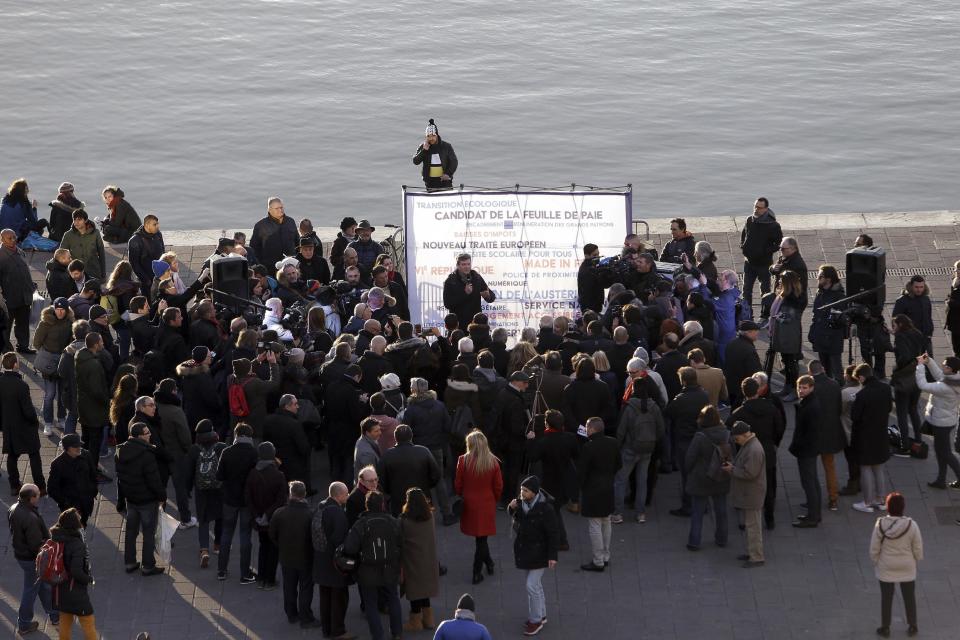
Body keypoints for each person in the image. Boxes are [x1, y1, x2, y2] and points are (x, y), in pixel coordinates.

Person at [341, 490, 404, 640]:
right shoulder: (392, 521)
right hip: (389, 568)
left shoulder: (361, 523)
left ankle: (378, 636)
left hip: (367, 570)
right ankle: (397, 633)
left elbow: (350, 548)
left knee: (371, 604)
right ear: (382, 504)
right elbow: (401, 543)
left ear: (366, 505)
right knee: (393, 599)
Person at [728, 377, 785, 530]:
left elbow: (730, 429)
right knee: (769, 485)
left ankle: (747, 519)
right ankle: (770, 518)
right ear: (758, 390)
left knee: (747, 485)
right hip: (767, 450)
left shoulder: (739, 412)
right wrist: (774, 443)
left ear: (744, 392)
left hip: (747, 452)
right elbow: (779, 428)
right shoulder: (771, 408)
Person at [507, 476, 559, 637]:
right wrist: (511, 508)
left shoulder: (546, 509)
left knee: (531, 585)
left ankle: (535, 620)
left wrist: (552, 556)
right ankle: (541, 615)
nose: (522, 493)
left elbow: (553, 534)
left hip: (540, 553)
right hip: (526, 552)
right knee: (535, 586)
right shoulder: (522, 503)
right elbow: (516, 518)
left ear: (534, 493)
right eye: (521, 489)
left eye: (525, 490)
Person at [115, 422, 166, 575]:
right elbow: (154, 480)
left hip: (130, 499)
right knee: (149, 533)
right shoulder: (146, 454)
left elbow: (120, 477)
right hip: (147, 500)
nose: (150, 434)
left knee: (131, 532)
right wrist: (161, 496)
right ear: (139, 436)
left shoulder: (120, 451)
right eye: (146, 433)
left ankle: (130, 562)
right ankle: (148, 565)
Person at [9, 483, 60, 634]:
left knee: (43, 585)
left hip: (22, 554)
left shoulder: (14, 508)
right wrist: (50, 552)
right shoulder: (30, 518)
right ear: (31, 498)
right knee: (30, 590)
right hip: (32, 559)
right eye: (37, 495)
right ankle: (24, 624)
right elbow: (36, 544)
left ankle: (54, 614)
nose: (39, 496)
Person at [869, 492, 922, 638]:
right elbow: (917, 547)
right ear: (903, 507)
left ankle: (885, 627)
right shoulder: (912, 525)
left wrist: (876, 561)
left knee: (886, 598)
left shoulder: (880, 524)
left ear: (888, 507)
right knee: (909, 596)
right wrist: (916, 559)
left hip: (886, 565)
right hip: (906, 565)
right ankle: (912, 625)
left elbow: (874, 548)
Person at [268, 481, 320, 628]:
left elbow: (272, 534)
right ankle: (306, 617)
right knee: (306, 587)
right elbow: (315, 537)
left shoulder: (279, 513)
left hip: (286, 557)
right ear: (304, 495)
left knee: (289, 587)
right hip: (306, 558)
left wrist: (281, 546)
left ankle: (291, 614)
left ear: (290, 494)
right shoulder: (310, 513)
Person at [613, 375, 664, 524]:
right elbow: (661, 429)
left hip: (630, 448)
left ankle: (618, 513)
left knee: (621, 480)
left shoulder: (630, 407)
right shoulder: (654, 407)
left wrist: (618, 445)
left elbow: (621, 431)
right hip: (648, 448)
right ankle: (640, 513)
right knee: (642, 481)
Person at [405, 377, 456, 525]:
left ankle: (424, 514)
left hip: (418, 449)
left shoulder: (411, 409)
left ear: (414, 389)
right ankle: (447, 513)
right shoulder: (439, 406)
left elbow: (406, 430)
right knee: (439, 479)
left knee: (420, 481)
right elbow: (448, 426)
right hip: (436, 448)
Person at [455, 430, 503, 584]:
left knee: (480, 538)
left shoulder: (463, 460)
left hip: (470, 503)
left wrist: (462, 494)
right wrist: (494, 499)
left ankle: (479, 569)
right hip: (487, 503)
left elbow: (458, 484)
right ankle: (486, 565)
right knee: (482, 538)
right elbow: (498, 486)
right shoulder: (493, 462)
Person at [216, 422, 259, 583]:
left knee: (226, 533)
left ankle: (221, 570)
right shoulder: (254, 453)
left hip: (229, 499)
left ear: (236, 435)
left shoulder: (227, 452)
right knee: (245, 536)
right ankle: (245, 573)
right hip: (246, 501)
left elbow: (219, 476)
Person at [577, 417, 621, 572]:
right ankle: (605, 556)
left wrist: (579, 488)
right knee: (606, 521)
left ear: (592, 429)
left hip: (592, 490)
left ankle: (598, 561)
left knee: (594, 525)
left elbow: (582, 472)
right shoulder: (613, 443)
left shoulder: (588, 447)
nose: (586, 430)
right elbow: (618, 464)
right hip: (608, 487)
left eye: (587, 427)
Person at [684, 405, 731, 551]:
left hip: (701, 477)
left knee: (698, 511)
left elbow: (689, 458)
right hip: (720, 475)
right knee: (721, 510)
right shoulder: (726, 435)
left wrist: (689, 472)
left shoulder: (700, 437)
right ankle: (722, 538)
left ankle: (694, 541)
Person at [665, 367, 710, 516]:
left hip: (684, 439)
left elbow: (668, 412)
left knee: (686, 474)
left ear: (683, 381)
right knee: (700, 472)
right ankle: (703, 504)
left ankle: (688, 505)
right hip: (701, 437)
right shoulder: (704, 395)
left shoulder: (680, 399)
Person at [312, 481, 354, 639]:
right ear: (339, 495)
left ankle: (326, 629)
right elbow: (340, 540)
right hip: (335, 565)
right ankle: (338, 631)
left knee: (325, 597)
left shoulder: (320, 507)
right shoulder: (337, 513)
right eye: (346, 493)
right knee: (339, 599)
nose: (348, 495)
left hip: (321, 561)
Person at [184, 420, 227, 570]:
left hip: (201, 489)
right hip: (219, 488)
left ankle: (204, 550)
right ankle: (218, 545)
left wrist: (187, 489)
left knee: (203, 519)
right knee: (220, 516)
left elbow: (188, 472)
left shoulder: (194, 449)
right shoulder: (221, 447)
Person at [1, 352, 46, 495]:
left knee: (12, 455)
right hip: (24, 426)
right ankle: (40, 486)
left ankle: (14, 485)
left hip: (8, 425)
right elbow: (28, 410)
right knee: (34, 455)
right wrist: (34, 420)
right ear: (15, 365)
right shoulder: (21, 385)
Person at [50, 508, 98, 639]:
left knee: (65, 619)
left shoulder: (55, 537)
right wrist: (89, 579)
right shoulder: (76, 544)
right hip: (74, 589)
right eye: (78, 519)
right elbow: (76, 571)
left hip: (60, 586)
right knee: (88, 621)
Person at [245, 441, 286, 589]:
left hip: (258, 519)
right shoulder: (279, 475)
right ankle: (269, 580)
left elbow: (248, 498)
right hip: (273, 520)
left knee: (263, 547)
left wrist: (257, 515)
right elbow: (281, 500)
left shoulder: (252, 474)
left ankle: (261, 577)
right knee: (273, 549)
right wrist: (267, 515)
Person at [725, 420, 766, 567]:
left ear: (743, 435)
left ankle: (756, 557)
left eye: (737, 439)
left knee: (753, 527)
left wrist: (732, 470)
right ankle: (751, 552)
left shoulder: (753, 449)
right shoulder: (750, 445)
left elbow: (750, 473)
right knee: (750, 526)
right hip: (750, 493)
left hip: (752, 494)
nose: (736, 441)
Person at [915, 354, 960, 489]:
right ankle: (941, 480)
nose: (942, 366)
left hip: (941, 423)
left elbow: (923, 385)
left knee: (945, 453)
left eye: (945, 365)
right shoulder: (954, 379)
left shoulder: (945, 388)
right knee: (941, 451)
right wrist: (929, 362)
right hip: (946, 420)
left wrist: (920, 366)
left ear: (951, 370)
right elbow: (940, 375)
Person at [400, 487, 440, 632]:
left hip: (412, 560)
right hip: (428, 559)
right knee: (424, 590)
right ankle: (429, 619)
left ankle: (415, 621)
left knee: (415, 591)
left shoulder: (404, 520)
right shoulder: (430, 516)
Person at [380, 424, 442, 517]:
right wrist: (426, 486)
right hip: (422, 498)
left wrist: (391, 491)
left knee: (402, 527)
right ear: (411, 436)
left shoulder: (387, 455)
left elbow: (381, 480)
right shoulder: (424, 451)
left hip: (398, 502)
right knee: (424, 527)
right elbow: (436, 475)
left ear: (395, 438)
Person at [809, 360, 845, 512]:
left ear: (810, 372)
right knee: (829, 467)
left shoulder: (810, 387)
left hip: (814, 433)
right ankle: (833, 499)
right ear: (823, 369)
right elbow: (839, 408)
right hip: (830, 431)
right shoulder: (834, 384)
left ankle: (812, 498)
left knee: (809, 469)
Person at [739, 197, 782, 309]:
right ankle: (747, 314)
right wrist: (743, 246)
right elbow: (744, 234)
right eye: (755, 206)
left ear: (766, 209)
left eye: (759, 207)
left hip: (764, 264)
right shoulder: (750, 220)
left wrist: (764, 251)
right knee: (746, 290)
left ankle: (765, 315)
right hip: (749, 262)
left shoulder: (773, 225)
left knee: (765, 292)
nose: (756, 209)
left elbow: (778, 244)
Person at [47, 434, 98, 528]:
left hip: (86, 500)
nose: (79, 448)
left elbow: (93, 475)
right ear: (67, 448)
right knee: (72, 529)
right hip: (71, 505)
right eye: (75, 446)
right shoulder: (57, 464)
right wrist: (65, 503)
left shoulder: (86, 455)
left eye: (79, 445)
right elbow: (52, 489)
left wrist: (93, 490)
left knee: (83, 524)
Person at [790, 376, 822, 528]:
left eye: (804, 388)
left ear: (811, 388)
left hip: (807, 450)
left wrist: (799, 447)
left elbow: (808, 432)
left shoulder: (810, 407)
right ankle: (814, 509)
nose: (801, 391)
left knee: (809, 482)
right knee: (812, 480)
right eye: (799, 388)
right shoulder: (809, 403)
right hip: (810, 449)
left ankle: (813, 517)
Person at [768, 270, 805, 401]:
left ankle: (794, 390)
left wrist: (777, 317)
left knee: (791, 364)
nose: (778, 282)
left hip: (789, 336)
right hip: (784, 334)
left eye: (781, 280)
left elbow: (789, 318)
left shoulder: (793, 299)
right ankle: (787, 387)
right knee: (787, 362)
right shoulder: (787, 295)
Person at [891, 314, 926, 444]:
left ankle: (904, 443)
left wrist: (898, 369)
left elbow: (904, 356)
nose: (893, 328)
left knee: (901, 413)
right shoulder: (917, 333)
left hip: (904, 379)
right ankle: (918, 439)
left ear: (900, 325)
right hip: (917, 376)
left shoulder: (900, 336)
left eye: (894, 326)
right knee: (913, 410)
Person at [0, 228, 37, 353]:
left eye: (14, 237)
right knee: (6, 325)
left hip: (24, 295)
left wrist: (31, 285)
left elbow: (24, 270)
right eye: (9, 238)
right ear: (2, 240)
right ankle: (6, 349)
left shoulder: (19, 251)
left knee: (23, 323)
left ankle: (23, 346)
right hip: (8, 298)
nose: (13, 240)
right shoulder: (1, 255)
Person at [263, 394, 311, 486]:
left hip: (276, 462)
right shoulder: (294, 424)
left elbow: (266, 440)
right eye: (295, 404)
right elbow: (303, 447)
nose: (298, 406)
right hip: (293, 466)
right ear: (287, 406)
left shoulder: (268, 420)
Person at [809, 265, 846, 381]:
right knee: (824, 368)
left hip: (832, 338)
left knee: (836, 368)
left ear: (829, 279)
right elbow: (816, 315)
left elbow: (840, 320)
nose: (818, 278)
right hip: (820, 336)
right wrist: (813, 332)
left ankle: (839, 390)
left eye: (820, 276)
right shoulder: (820, 292)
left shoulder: (839, 296)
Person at [443, 253, 495, 331]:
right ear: (458, 265)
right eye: (463, 264)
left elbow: (491, 297)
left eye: (468, 264)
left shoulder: (476, 277)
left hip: (476, 324)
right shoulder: (450, 281)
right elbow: (447, 304)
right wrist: (465, 294)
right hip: (459, 325)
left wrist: (488, 296)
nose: (467, 267)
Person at [251, 196, 298, 271]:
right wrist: (261, 266)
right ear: (269, 210)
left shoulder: (290, 222)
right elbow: (254, 248)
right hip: (270, 268)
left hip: (290, 267)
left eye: (281, 207)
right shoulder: (260, 226)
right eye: (277, 208)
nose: (280, 210)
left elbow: (297, 242)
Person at [723, 320, 763, 408]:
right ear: (748, 332)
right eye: (756, 332)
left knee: (734, 409)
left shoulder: (731, 344)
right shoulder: (749, 350)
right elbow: (755, 371)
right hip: (743, 388)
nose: (757, 334)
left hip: (731, 384)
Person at [59, 209, 106, 280]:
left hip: (94, 273)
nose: (76, 222)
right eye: (74, 219)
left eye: (79, 219)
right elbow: (61, 255)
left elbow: (101, 254)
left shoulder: (95, 233)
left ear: (86, 220)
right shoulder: (68, 235)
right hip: (76, 275)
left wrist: (103, 274)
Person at [893, 275, 934, 355]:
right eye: (916, 287)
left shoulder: (926, 299)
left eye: (921, 287)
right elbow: (895, 321)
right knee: (910, 365)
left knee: (929, 363)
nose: (919, 289)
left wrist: (929, 332)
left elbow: (928, 317)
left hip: (925, 338)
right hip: (909, 340)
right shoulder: (902, 301)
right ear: (911, 286)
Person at [127, 214, 165, 297]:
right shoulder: (135, 241)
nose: (157, 226)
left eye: (157, 224)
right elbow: (134, 264)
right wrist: (146, 280)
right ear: (147, 225)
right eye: (154, 224)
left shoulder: (158, 234)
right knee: (150, 302)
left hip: (160, 276)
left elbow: (163, 252)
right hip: (147, 280)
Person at [413, 118, 458, 190]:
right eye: (428, 136)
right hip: (430, 182)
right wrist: (424, 151)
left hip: (445, 181)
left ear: (437, 135)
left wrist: (448, 174)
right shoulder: (423, 146)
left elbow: (454, 162)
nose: (431, 138)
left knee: (447, 199)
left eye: (433, 135)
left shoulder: (446, 146)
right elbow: (415, 161)